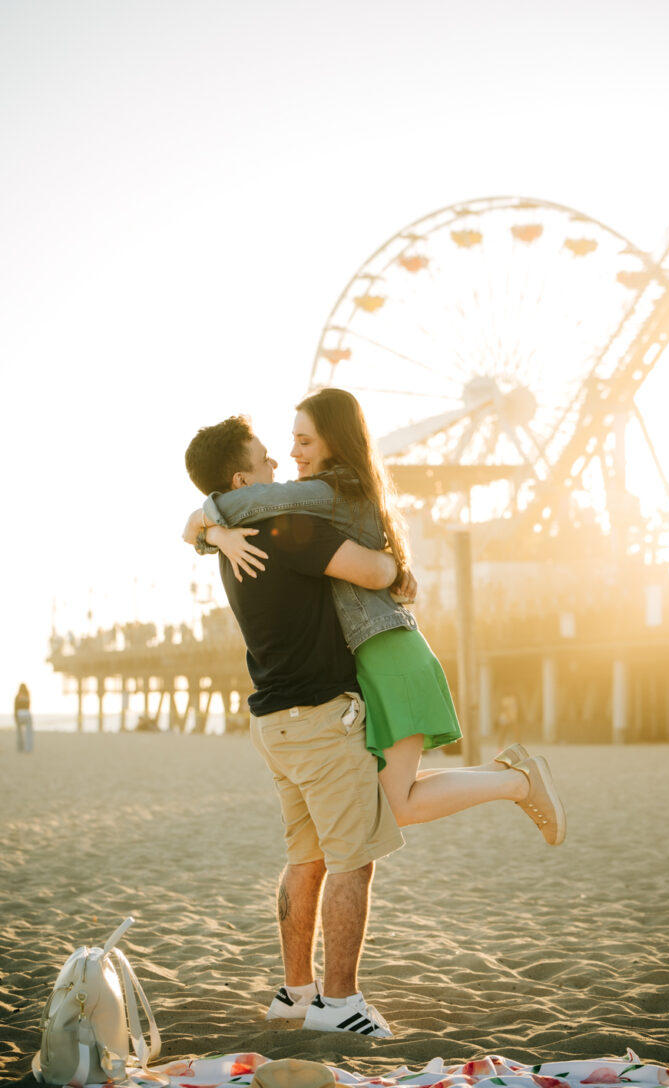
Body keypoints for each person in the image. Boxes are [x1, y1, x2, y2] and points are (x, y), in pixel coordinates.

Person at [185, 390, 566, 847]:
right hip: (378, 659)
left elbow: (249, 500)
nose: (292, 454)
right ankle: (511, 774)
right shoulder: (333, 494)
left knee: (396, 805)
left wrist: (208, 530)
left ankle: (519, 782)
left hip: (390, 656)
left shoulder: (329, 491)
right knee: (394, 799)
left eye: (304, 442)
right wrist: (213, 535)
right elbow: (251, 499)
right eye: (291, 442)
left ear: (333, 440)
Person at [185, 417, 404, 1037]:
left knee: (304, 859)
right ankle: (340, 1005)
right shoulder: (283, 530)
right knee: (352, 862)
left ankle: (294, 993)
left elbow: (200, 524)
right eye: (264, 460)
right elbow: (378, 574)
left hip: (273, 722)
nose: (277, 468)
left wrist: (206, 527)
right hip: (318, 719)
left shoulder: (231, 540)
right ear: (242, 479)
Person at [14, 682, 33, 753]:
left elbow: (15, 707)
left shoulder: (18, 696)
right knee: (28, 733)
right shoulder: (27, 695)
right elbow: (29, 706)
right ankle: (28, 748)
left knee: (19, 732)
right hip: (27, 713)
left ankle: (20, 748)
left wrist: (15, 717)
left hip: (19, 713)